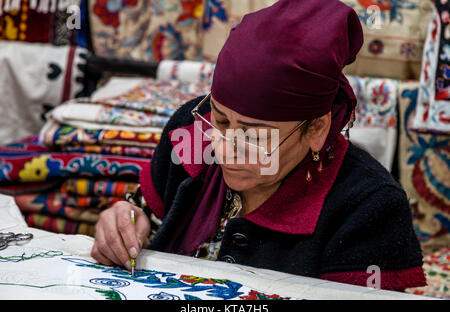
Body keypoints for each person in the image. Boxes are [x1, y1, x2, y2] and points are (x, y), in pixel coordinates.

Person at [91, 0, 426, 291]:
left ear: (316, 129)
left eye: (254, 135)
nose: (224, 148)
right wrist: (127, 220)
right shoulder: (192, 131)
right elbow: (146, 214)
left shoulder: (368, 207)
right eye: (221, 121)